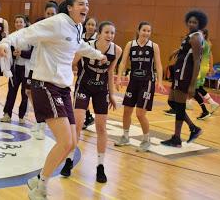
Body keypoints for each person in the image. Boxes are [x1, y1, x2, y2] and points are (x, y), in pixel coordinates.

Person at [0, 0, 107, 200]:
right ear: (70, 7)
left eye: (88, 4)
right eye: (82, 4)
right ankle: (41, 188)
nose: (86, 7)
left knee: (72, 143)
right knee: (65, 142)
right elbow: (27, 33)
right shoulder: (55, 23)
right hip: (45, 85)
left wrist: (97, 55)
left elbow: (80, 46)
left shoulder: (77, 27)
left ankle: (39, 179)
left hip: (63, 88)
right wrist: (5, 43)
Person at [60, 21, 122, 183]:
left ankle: (100, 166)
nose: (110, 36)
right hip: (84, 87)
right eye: (107, 32)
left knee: (101, 127)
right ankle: (69, 160)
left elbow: (110, 73)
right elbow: (71, 62)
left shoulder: (116, 50)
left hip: (101, 90)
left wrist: (112, 94)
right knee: (78, 124)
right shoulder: (87, 46)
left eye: (112, 33)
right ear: (99, 33)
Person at [114, 22, 166, 151]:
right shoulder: (130, 45)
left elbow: (159, 65)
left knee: (140, 114)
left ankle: (146, 140)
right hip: (133, 82)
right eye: (144, 30)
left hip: (147, 82)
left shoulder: (154, 46)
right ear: (138, 31)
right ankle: (125, 137)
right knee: (127, 111)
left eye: (149, 31)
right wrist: (119, 78)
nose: (146, 33)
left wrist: (160, 82)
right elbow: (123, 62)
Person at [160, 10, 207, 147]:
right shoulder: (190, 36)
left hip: (185, 75)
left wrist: (193, 85)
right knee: (172, 103)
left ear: (200, 24)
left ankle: (176, 138)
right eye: (190, 21)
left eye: (195, 22)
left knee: (179, 105)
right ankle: (193, 128)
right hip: (179, 72)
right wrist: (177, 51)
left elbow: (197, 61)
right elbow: (187, 50)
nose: (191, 24)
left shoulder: (196, 37)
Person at [28, 1, 59, 140]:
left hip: (49, 69)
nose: (50, 16)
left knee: (43, 97)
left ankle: (43, 126)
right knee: (30, 93)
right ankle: (39, 121)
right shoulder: (39, 27)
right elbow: (30, 41)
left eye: (53, 14)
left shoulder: (60, 30)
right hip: (34, 65)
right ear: (44, 14)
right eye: (48, 14)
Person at [0, 15, 31, 124]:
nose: (18, 24)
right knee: (11, 92)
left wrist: (22, 53)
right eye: (16, 22)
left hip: (27, 70)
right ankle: (7, 114)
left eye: (21, 22)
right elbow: (8, 54)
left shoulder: (30, 36)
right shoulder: (11, 37)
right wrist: (13, 54)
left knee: (25, 93)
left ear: (25, 23)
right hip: (15, 68)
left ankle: (22, 116)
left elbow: (33, 54)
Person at [186, 29, 220, 119]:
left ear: (204, 35)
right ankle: (212, 103)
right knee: (198, 87)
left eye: (200, 33)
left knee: (194, 88)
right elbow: (209, 55)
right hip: (203, 67)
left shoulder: (203, 44)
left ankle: (204, 110)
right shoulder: (206, 43)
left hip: (201, 68)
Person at [80, 17, 98, 130]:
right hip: (82, 70)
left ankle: (90, 116)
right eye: (89, 24)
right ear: (85, 25)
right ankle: (88, 116)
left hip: (94, 71)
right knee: (80, 96)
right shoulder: (80, 37)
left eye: (93, 25)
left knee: (89, 96)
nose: (90, 26)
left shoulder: (97, 39)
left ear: (96, 27)